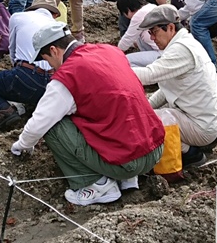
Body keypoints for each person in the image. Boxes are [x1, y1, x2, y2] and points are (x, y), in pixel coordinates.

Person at [9, 24, 164, 206]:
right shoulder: (109, 51)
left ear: (53, 50)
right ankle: (128, 179)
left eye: (47, 60)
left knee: (54, 126)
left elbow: (39, 122)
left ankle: (96, 186)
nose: (51, 66)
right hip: (155, 148)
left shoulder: (67, 77)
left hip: (129, 161)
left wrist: (22, 145)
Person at [132, 5, 217, 166]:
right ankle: (202, 141)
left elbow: (149, 75)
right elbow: (166, 89)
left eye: (153, 32)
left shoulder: (181, 50)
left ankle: (191, 154)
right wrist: (146, 106)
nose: (152, 38)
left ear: (170, 28)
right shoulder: (185, 43)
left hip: (203, 125)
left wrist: (116, 71)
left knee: (151, 121)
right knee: (151, 113)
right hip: (210, 119)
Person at [0, 0, 59, 131]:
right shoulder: (59, 26)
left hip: (27, 75)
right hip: (53, 83)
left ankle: (2, 109)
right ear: (54, 14)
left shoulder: (18, 17)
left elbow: (12, 50)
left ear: (33, 9)